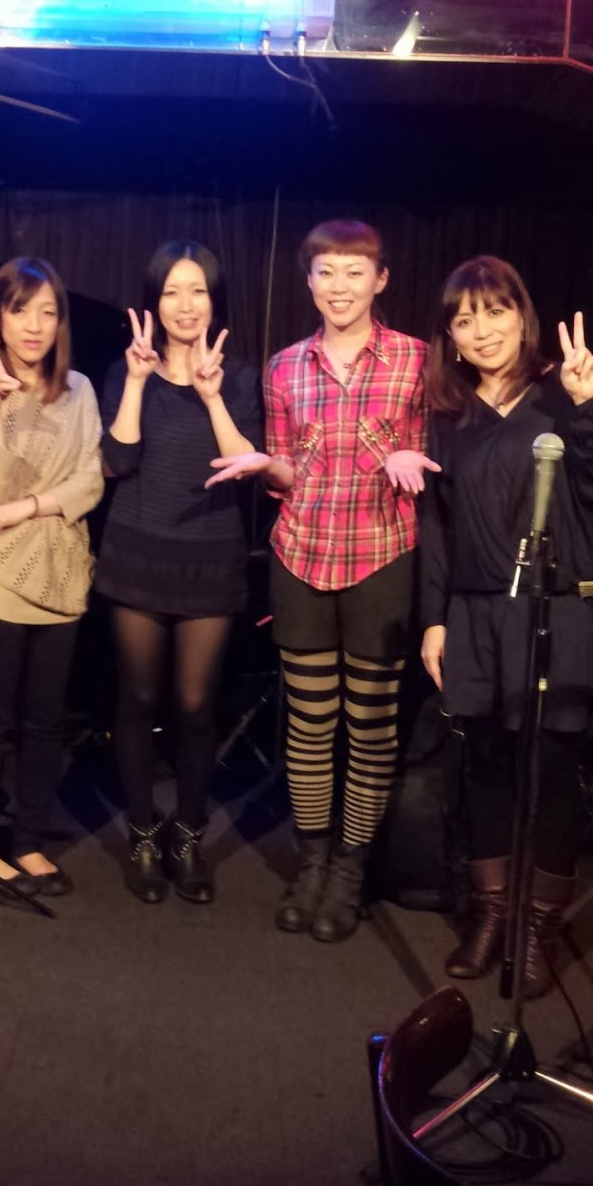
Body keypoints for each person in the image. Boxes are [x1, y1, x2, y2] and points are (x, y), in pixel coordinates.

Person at [208, 220, 431, 941]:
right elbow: (287, 469)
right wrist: (263, 465)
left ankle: (350, 871)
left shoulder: (417, 360)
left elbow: (435, 453)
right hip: (300, 552)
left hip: (381, 555)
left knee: (369, 725)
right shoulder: (283, 367)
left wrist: (412, 458)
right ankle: (311, 864)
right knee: (308, 725)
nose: (340, 286)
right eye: (326, 272)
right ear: (308, 281)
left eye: (354, 272)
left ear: (381, 279)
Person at [419, 256, 593, 998]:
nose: (482, 330)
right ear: (451, 336)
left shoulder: (563, 396)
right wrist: (434, 620)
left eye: (495, 311)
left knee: (553, 777)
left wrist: (592, 407)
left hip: (555, 610)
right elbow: (436, 528)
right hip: (475, 614)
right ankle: (491, 916)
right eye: (464, 319)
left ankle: (537, 928)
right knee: (489, 772)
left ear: (522, 316)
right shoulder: (450, 417)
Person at [96, 240, 263, 904]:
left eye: (197, 291)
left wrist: (212, 397)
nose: (185, 305)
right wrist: (139, 382)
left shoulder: (239, 376)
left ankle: (188, 832)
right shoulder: (125, 369)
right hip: (137, 550)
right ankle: (143, 832)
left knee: (195, 705)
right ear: (154, 302)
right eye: (171, 291)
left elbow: (244, 466)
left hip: (210, 555)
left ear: (214, 301)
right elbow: (117, 461)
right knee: (138, 698)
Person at [0, 257, 103, 896]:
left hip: (61, 574)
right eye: (19, 310)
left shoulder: (80, 390)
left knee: (44, 721)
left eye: (47, 312)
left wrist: (29, 507)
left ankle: (30, 839)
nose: (35, 325)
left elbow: (90, 483)